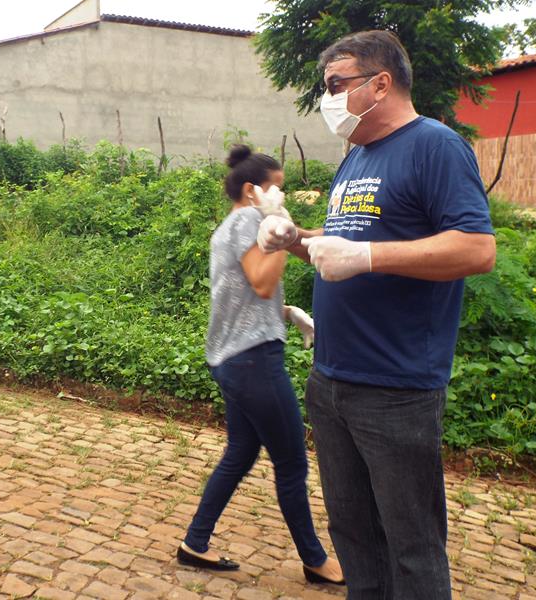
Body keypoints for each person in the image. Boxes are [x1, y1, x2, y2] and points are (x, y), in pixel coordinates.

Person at [257, 31, 496, 599]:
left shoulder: (435, 146)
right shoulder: (358, 156)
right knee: (354, 533)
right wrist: (295, 238)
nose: (329, 99)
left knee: (411, 546)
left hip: (395, 388)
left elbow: (476, 249)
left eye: (337, 85)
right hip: (332, 377)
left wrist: (367, 257)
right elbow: (344, 242)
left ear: (380, 83)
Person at [176, 145, 344, 586]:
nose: (283, 197)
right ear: (253, 191)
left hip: (233, 357)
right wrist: (281, 228)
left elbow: (247, 292)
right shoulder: (251, 221)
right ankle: (316, 561)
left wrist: (286, 313)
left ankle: (195, 543)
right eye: (277, 189)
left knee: (241, 452)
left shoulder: (231, 226)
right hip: (252, 361)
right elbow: (263, 282)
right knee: (290, 462)